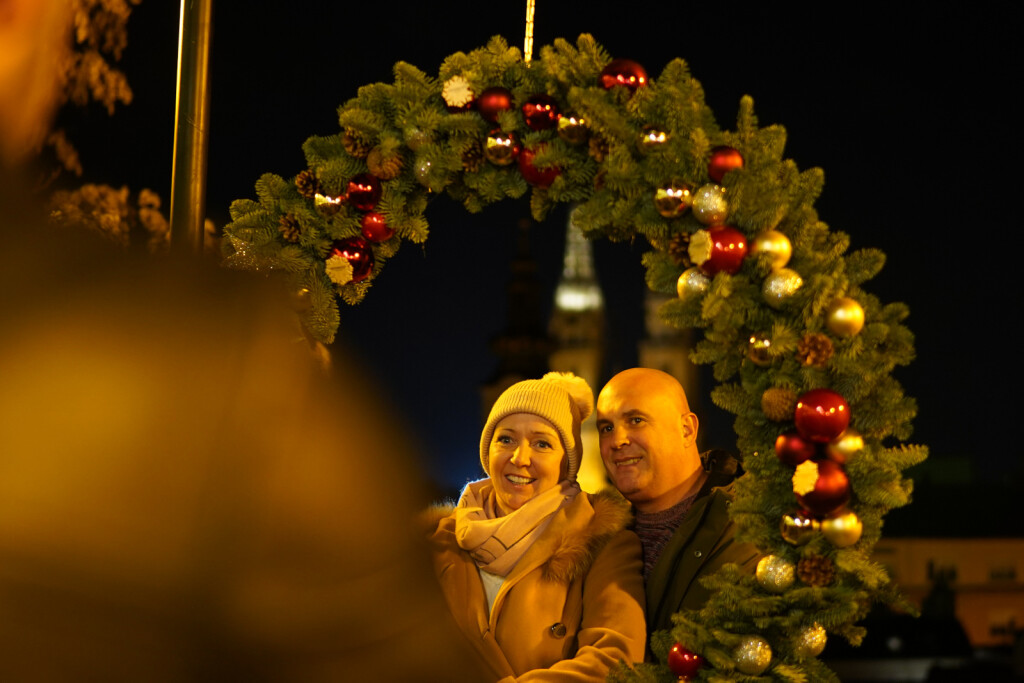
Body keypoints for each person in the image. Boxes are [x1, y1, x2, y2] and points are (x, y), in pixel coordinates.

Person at [427, 372, 646, 681]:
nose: (520, 458)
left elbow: (615, 660)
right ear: (488, 450)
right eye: (506, 439)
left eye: (542, 443)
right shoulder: (436, 543)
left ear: (566, 464)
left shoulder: (602, 542)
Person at [595, 367, 760, 636]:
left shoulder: (749, 520)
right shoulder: (599, 538)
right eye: (606, 428)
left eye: (636, 420)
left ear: (687, 429)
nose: (617, 441)